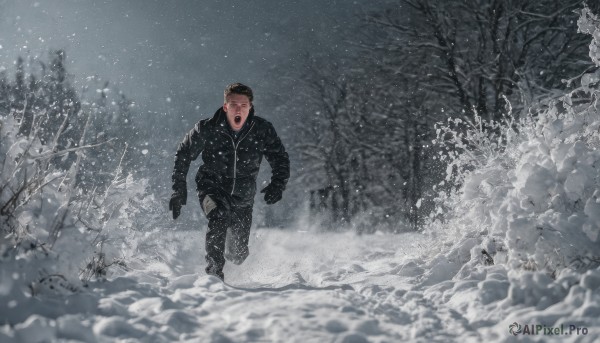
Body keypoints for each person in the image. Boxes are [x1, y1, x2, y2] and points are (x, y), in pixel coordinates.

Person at [169, 83, 290, 281]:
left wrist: (278, 184)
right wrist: (178, 189)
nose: (238, 109)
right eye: (234, 104)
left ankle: (231, 257)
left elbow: (280, 158)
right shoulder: (207, 128)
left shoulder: (262, 130)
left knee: (239, 254)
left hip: (243, 196)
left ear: (250, 107)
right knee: (219, 216)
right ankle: (214, 275)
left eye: (243, 105)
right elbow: (183, 155)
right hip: (211, 186)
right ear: (225, 106)